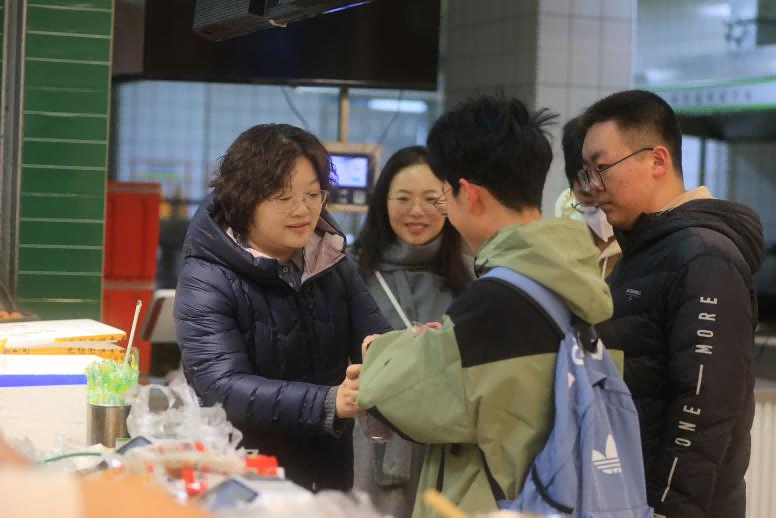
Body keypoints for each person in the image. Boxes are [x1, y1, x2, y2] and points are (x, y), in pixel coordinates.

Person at [357, 96, 616, 517]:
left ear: (470, 195)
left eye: (443, 194)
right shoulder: (584, 282)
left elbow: (391, 395)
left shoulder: (494, 301)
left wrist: (379, 352)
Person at [174, 124, 391, 492]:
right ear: (245, 200)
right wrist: (328, 401)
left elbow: (373, 338)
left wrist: (406, 351)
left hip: (328, 474)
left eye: (312, 194)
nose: (302, 209)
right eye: (282, 196)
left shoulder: (330, 260)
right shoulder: (206, 276)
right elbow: (222, 387)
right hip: (244, 479)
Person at [579, 89, 765, 518]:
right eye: (587, 172)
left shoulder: (704, 255)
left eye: (602, 168)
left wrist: (666, 510)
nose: (593, 187)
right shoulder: (642, 250)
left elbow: (703, 404)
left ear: (658, 161)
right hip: (626, 499)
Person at [351, 146, 472, 518]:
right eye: (403, 198)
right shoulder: (352, 273)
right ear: (383, 202)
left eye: (431, 199)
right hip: (368, 444)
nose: (417, 211)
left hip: (449, 450)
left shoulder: (473, 275)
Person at [554, 117, 621, 278]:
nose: (599, 200)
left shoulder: (645, 240)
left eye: (605, 190)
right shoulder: (565, 212)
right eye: (587, 195)